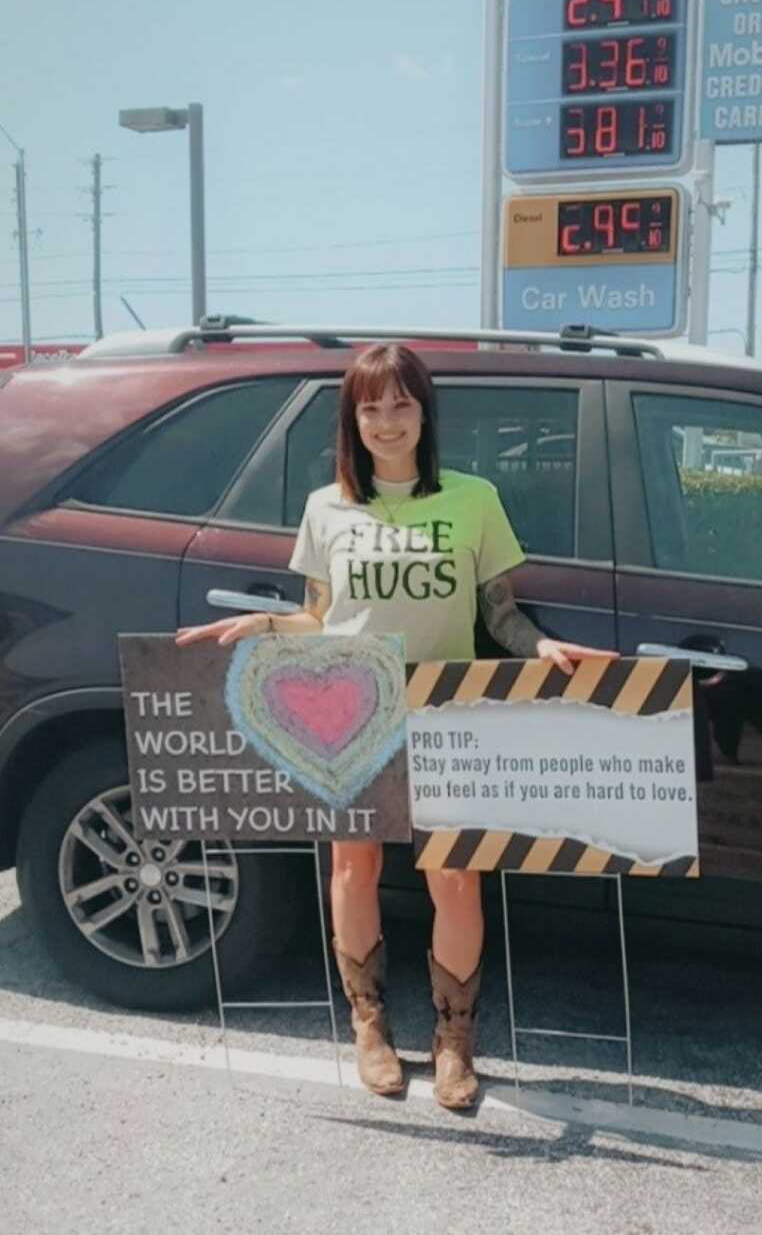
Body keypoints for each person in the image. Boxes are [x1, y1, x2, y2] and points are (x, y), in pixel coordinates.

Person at [176, 343, 617, 1109]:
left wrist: (539, 645)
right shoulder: (327, 506)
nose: (387, 420)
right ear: (353, 416)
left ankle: (454, 1041)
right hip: (352, 704)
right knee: (355, 868)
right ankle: (371, 1027)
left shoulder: (473, 499)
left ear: (424, 411)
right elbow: (319, 615)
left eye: (401, 403)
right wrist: (267, 624)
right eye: (371, 406)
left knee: (455, 874)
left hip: (448, 707)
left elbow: (499, 612)